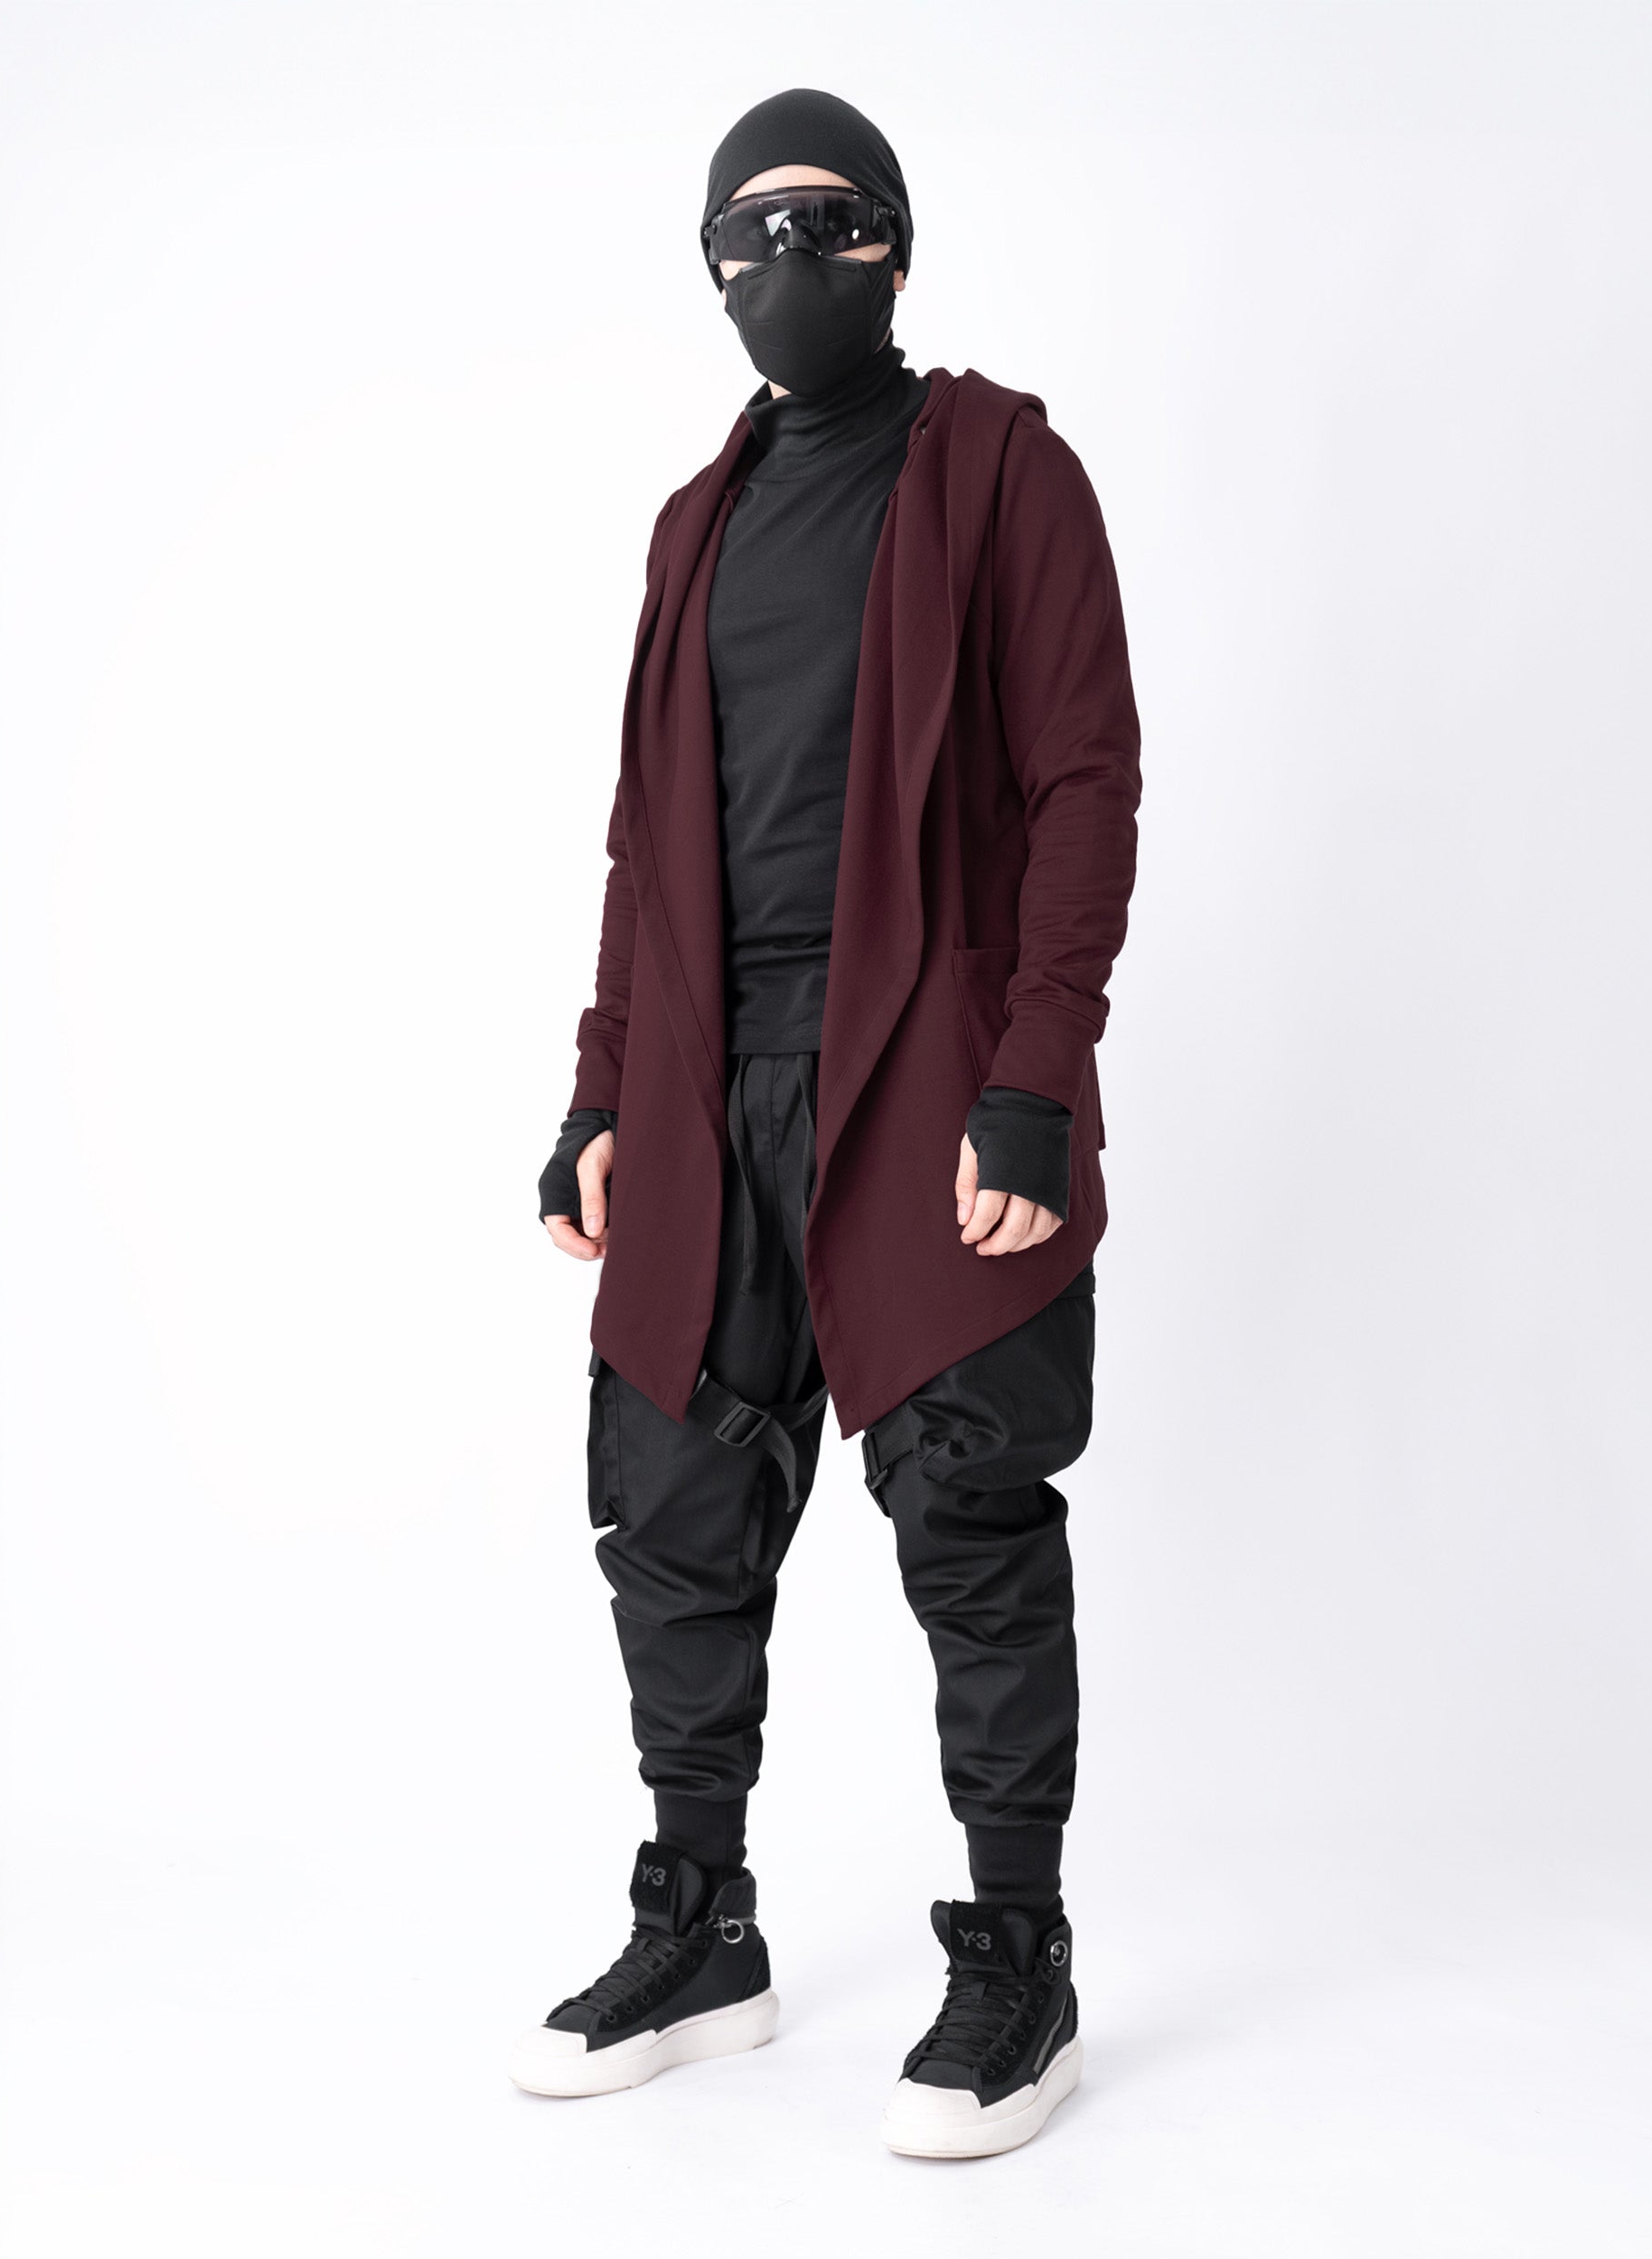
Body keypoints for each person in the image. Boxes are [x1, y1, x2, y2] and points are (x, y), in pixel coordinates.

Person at [509, 88, 1140, 2159]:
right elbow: (640, 840)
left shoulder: (1001, 469)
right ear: (711, 266)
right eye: (751, 229)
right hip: (707, 1091)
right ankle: (701, 1925)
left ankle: (1019, 1955)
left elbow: (1085, 779)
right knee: (671, 1503)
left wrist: (1032, 1078)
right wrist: (599, 1087)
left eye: (834, 221)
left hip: (923, 1072)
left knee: (969, 1507)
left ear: (897, 246)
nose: (790, 260)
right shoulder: (692, 525)